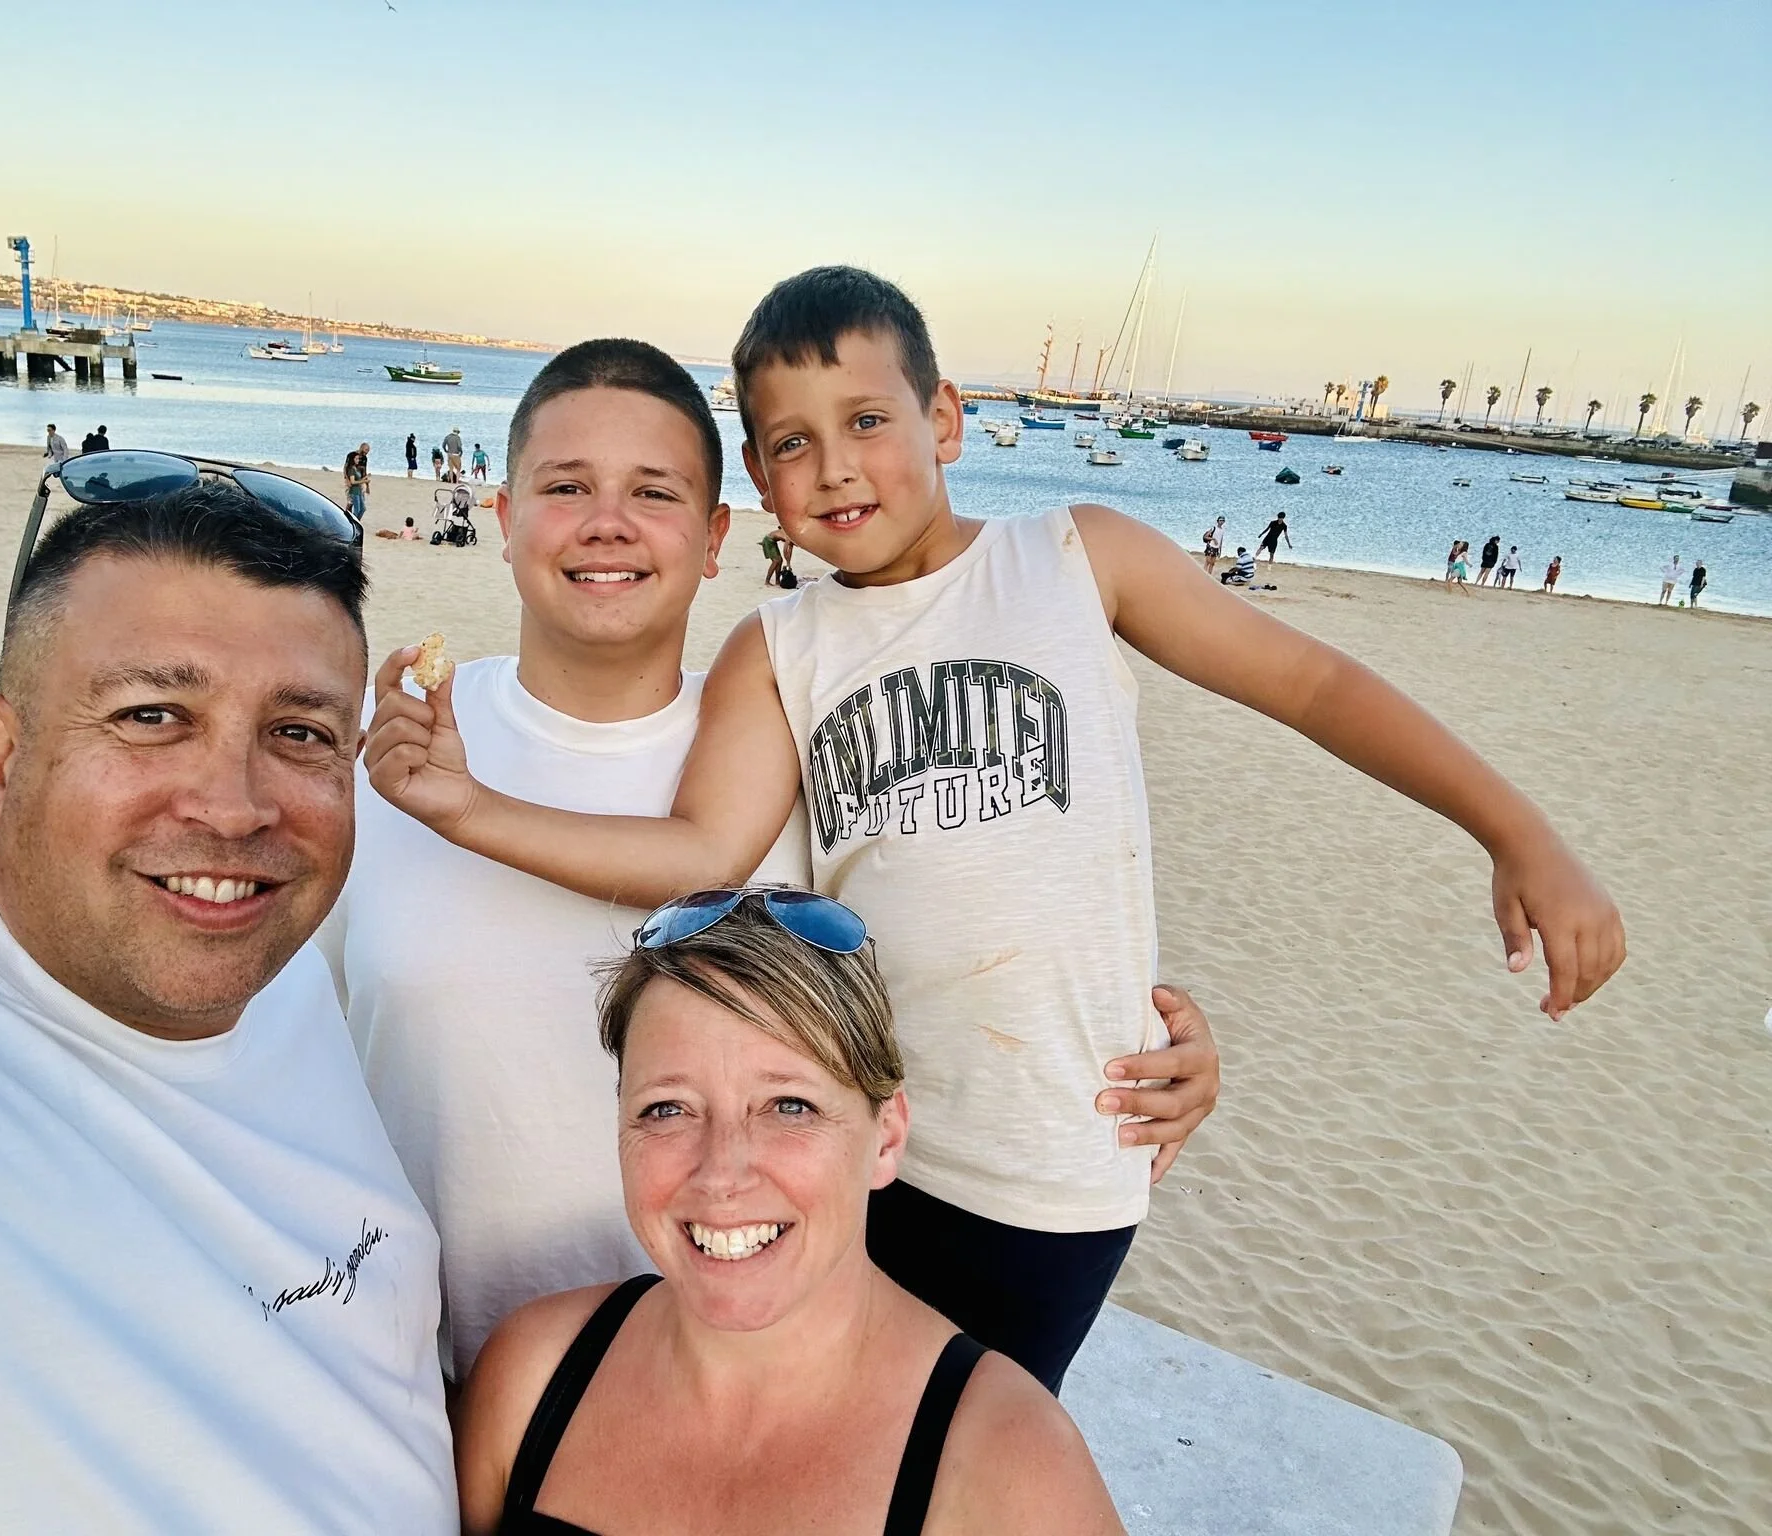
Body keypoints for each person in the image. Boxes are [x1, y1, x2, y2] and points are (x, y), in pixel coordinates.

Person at [375, 271, 1632, 1394]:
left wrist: (1513, 830)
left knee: (945, 1451)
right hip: (868, 1168)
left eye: (869, 421)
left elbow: (1305, 683)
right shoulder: (779, 649)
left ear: (946, 420)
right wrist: (468, 807)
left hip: (1055, 1165)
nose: (836, 467)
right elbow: (702, 853)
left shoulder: (1075, 561)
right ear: (758, 488)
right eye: (791, 445)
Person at [333, 339, 1226, 1378]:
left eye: (654, 492)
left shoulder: (800, 753)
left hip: (731, 1374)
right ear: (501, 516)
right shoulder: (378, 749)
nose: (606, 521)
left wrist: (1150, 1052)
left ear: (716, 538)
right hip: (412, 1361)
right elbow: (272, 1034)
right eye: (564, 485)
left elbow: (979, 953)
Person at [0, 485, 456, 1529]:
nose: (234, 805)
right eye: (152, 717)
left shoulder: (286, 979)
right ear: (0, 759)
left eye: (298, 733)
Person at [456, 887, 1123, 1535]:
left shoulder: (1009, 1466)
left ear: (886, 1136)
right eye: (668, 1109)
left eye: (789, 1107)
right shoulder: (532, 1375)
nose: (722, 1174)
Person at [344, 441, 371, 522]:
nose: (367, 452)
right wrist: (347, 480)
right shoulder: (351, 455)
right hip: (351, 479)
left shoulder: (364, 458)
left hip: (360, 480)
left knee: (360, 503)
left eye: (368, 451)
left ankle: (356, 521)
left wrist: (367, 485)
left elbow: (364, 471)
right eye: (366, 450)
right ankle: (347, 518)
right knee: (350, 502)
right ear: (362, 448)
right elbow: (345, 468)